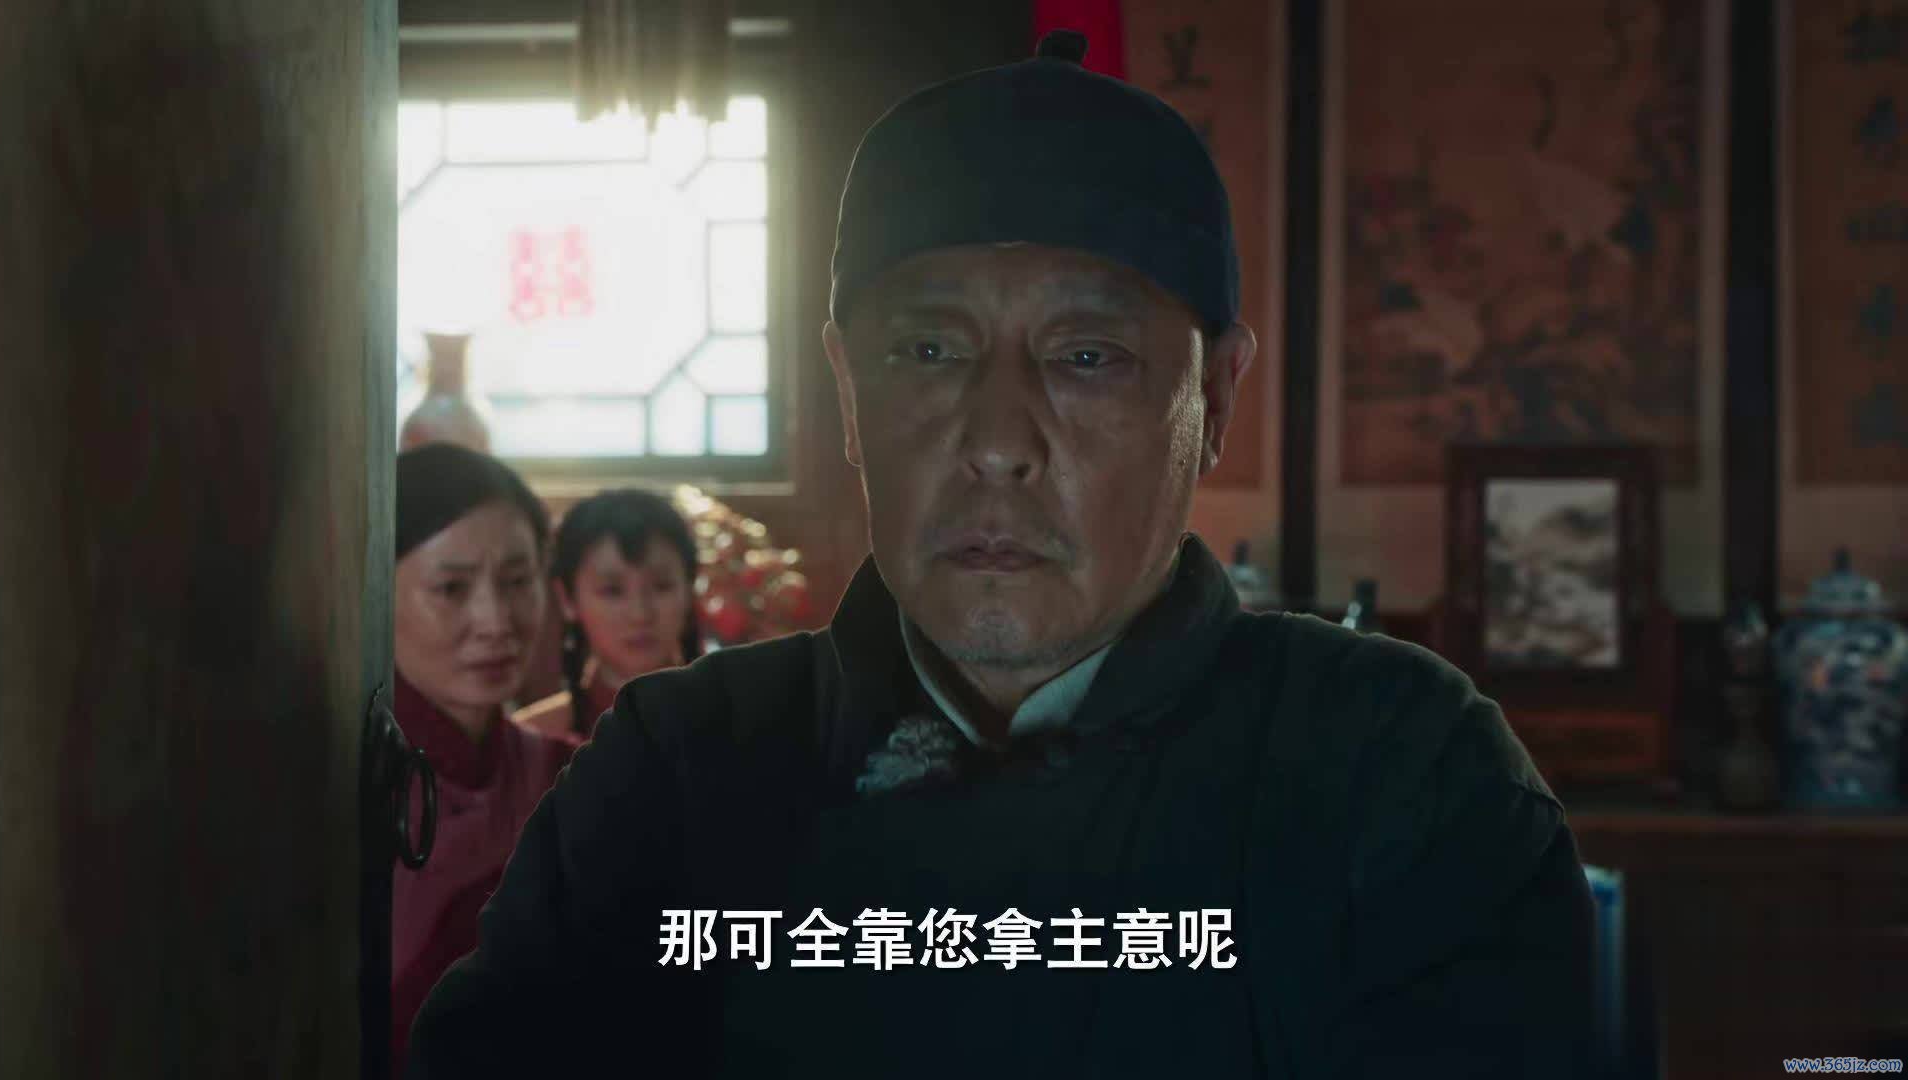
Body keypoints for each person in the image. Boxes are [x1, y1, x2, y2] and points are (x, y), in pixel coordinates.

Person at [408, 30, 1595, 1080]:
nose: (997, 444)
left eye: (1088, 358)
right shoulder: (675, 775)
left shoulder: (1397, 773)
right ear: (846, 391)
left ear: (1217, 397)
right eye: (929, 352)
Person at [388, 444, 571, 1075]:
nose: (495, 621)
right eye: (451, 588)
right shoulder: (334, 789)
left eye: (517, 582)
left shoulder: (572, 779)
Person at [512, 489, 704, 746]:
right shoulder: (532, 741)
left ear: (689, 590)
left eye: (661, 586)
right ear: (567, 598)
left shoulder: (740, 727)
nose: (640, 614)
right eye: (612, 591)